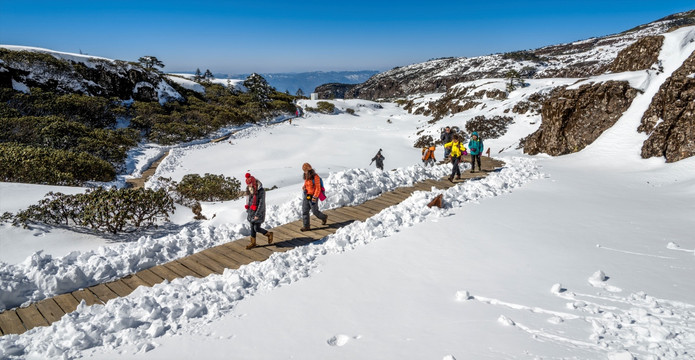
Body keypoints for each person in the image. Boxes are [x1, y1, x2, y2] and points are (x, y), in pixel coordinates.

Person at [244, 173, 273, 249]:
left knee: (256, 228)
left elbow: (261, 204)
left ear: (253, 182)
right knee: (252, 227)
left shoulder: (261, 191)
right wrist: (247, 207)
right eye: (248, 184)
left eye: (249, 184)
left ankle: (268, 234)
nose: (249, 186)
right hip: (251, 211)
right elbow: (248, 199)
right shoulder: (249, 189)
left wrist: (257, 214)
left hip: (258, 212)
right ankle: (253, 243)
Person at [300, 163, 328, 231]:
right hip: (307, 195)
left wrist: (315, 197)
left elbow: (318, 188)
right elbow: (306, 184)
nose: (305, 172)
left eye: (305, 170)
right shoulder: (306, 176)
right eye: (304, 170)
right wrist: (304, 187)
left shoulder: (316, 177)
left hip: (313, 196)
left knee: (315, 211)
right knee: (305, 211)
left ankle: (324, 217)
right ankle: (306, 226)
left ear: (309, 169)